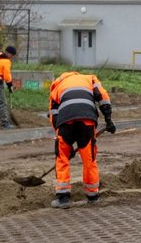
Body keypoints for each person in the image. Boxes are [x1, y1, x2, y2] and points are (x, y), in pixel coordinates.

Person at [48, 71, 116, 209]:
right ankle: (92, 196)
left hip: (65, 122)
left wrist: (62, 142)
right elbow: (102, 97)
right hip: (87, 120)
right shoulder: (90, 79)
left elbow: (53, 115)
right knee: (89, 158)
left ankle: (63, 198)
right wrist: (109, 120)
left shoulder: (57, 86)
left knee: (62, 158)